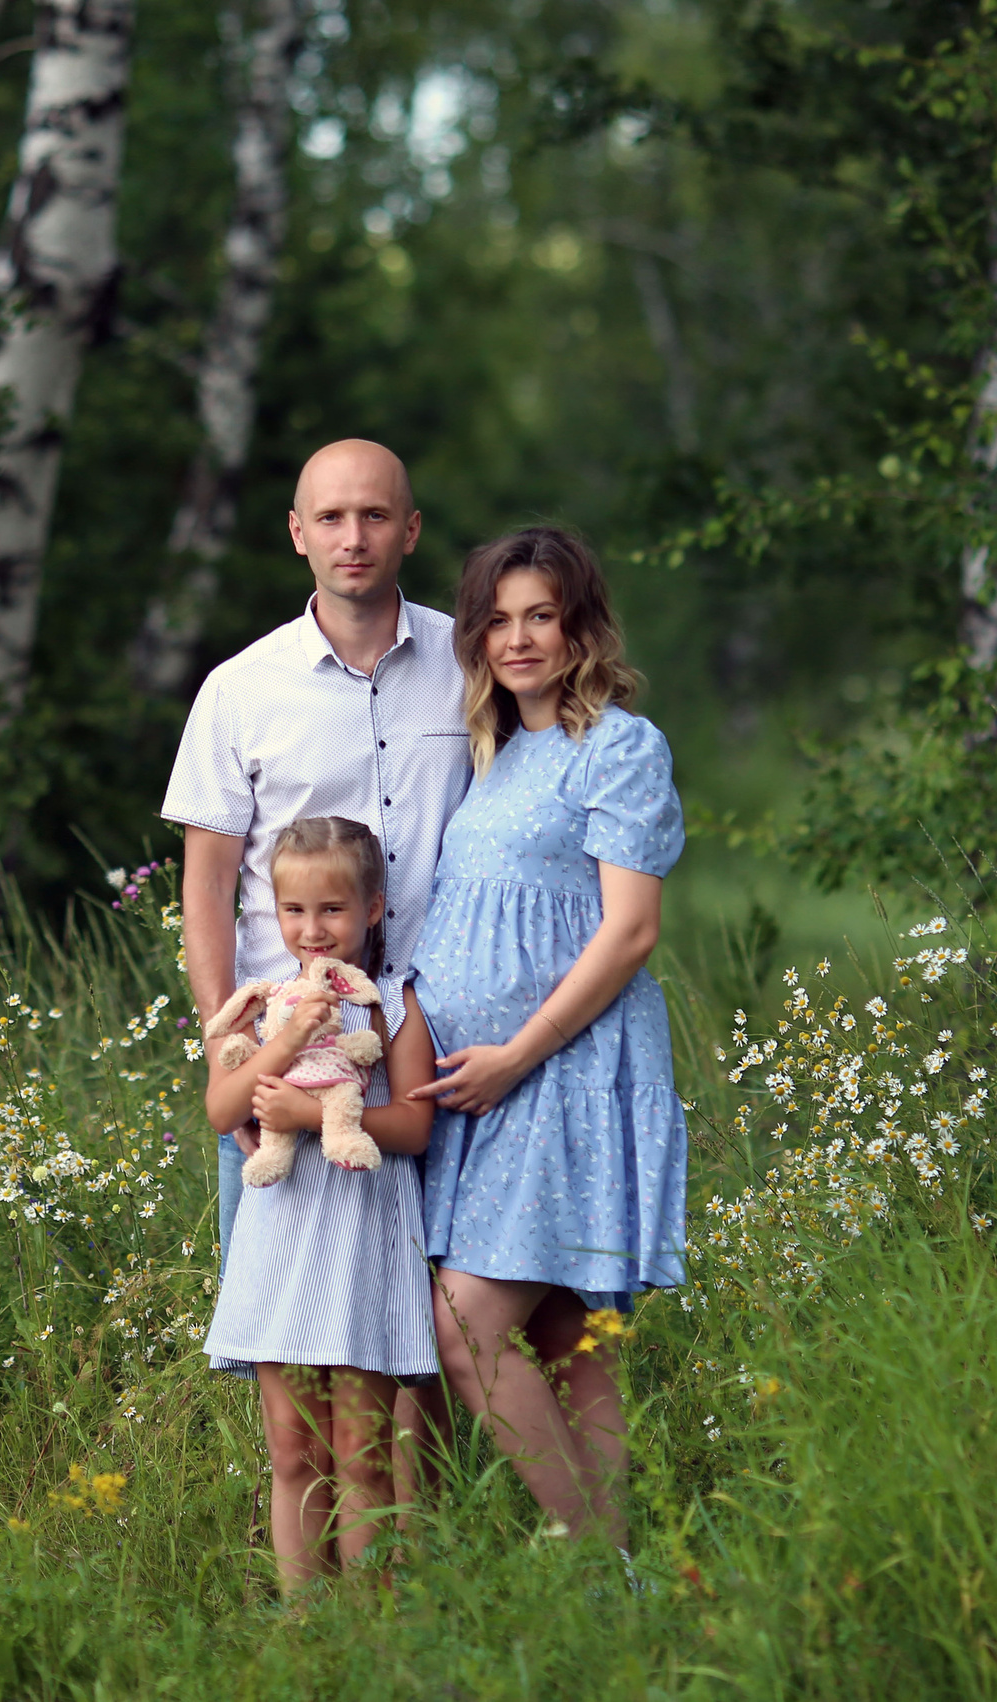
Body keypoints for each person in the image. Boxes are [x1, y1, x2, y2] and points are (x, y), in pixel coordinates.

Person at [160, 437, 465, 1452]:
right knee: (290, 1354)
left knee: (430, 1333)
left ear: (409, 530)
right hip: (287, 1052)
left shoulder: (471, 669)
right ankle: (311, 1585)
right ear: (296, 533)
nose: (353, 536)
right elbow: (205, 887)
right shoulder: (240, 690)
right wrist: (227, 1054)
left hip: (433, 1046)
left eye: (375, 515)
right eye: (330, 517)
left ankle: (418, 1571)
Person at [405, 526, 687, 1560]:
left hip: (565, 1072)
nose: (518, 638)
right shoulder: (499, 750)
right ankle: (622, 1594)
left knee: (467, 1323)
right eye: (498, 618)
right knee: (567, 1337)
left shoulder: (619, 743)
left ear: (579, 626)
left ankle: (596, 1558)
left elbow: (630, 930)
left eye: (540, 615)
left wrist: (517, 1053)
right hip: (487, 1089)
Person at [200, 817, 439, 1592]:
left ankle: (370, 1626)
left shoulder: (391, 1006)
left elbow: (413, 1123)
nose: (312, 929)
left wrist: (317, 1118)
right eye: (294, 911)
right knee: (293, 1449)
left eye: (332, 910)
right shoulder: (264, 1003)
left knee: (361, 1451)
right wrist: (282, 1042)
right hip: (284, 1235)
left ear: (371, 908)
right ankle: (307, 1626)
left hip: (362, 1237)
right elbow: (222, 1106)